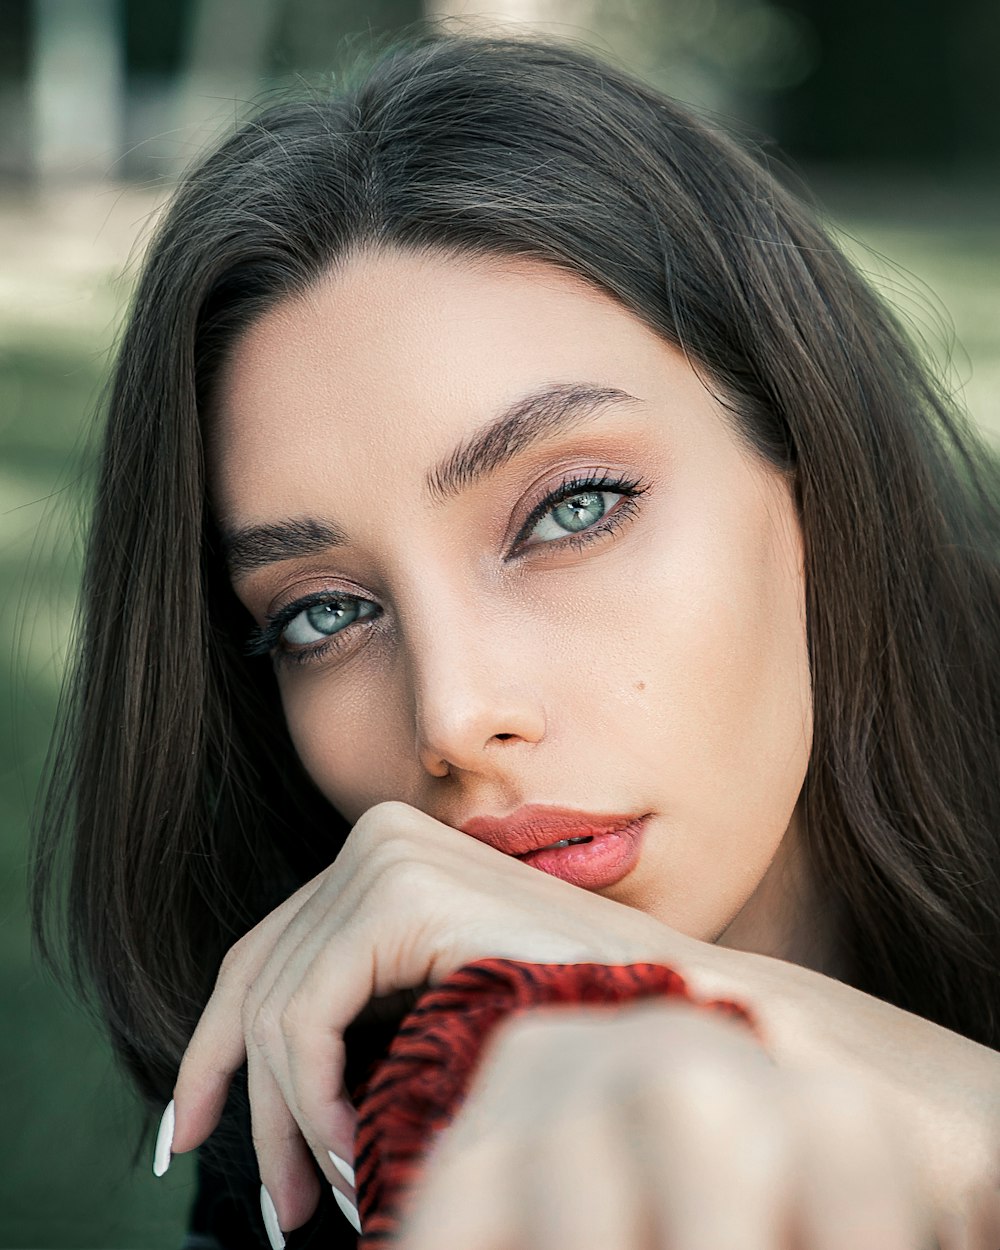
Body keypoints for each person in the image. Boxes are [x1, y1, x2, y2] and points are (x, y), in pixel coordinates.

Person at [31, 28, 1000, 1250]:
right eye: (322, 611)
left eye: (570, 509)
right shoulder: (352, 1118)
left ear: (806, 471)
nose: (452, 713)